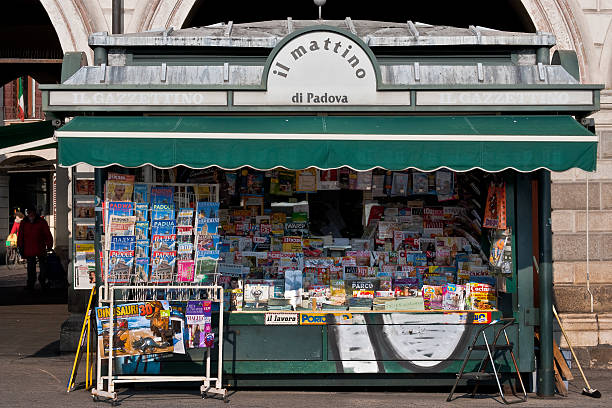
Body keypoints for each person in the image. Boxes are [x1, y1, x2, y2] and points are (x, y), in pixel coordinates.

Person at [17, 207, 53, 290]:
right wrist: (20, 247)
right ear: (28, 214)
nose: (31, 215)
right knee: (31, 267)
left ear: (34, 213)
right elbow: (20, 236)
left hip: (40, 248)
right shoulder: (24, 223)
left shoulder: (41, 222)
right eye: (29, 214)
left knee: (42, 267)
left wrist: (49, 245)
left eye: (32, 214)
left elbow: (47, 235)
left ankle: (41, 281)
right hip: (30, 249)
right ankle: (31, 283)